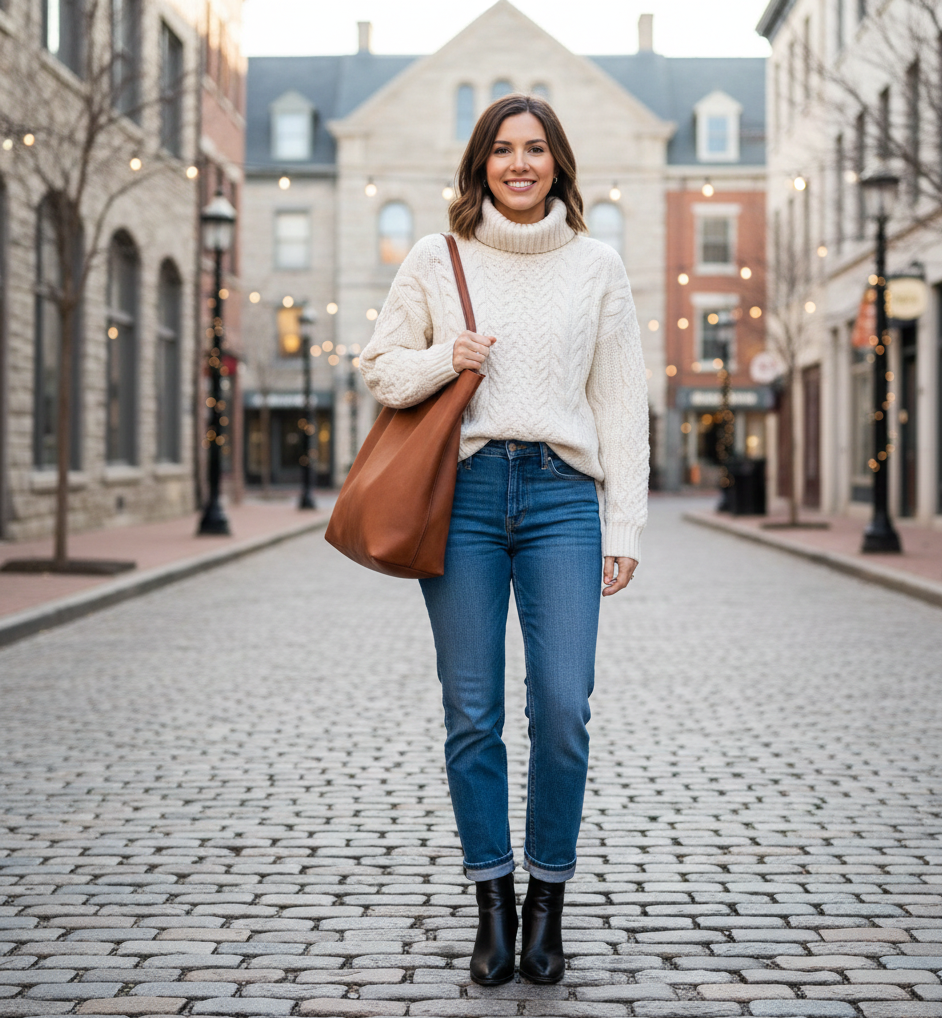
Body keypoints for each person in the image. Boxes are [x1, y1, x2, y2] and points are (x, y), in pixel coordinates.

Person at [359, 93, 649, 986]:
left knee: (562, 710)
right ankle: (492, 897)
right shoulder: (435, 260)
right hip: (468, 496)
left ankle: (546, 902)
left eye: (535, 150)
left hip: (565, 497)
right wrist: (449, 358)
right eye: (501, 150)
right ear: (479, 163)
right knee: (472, 712)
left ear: (558, 162)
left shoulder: (599, 266)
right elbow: (376, 366)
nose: (518, 165)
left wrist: (624, 521)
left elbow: (620, 401)